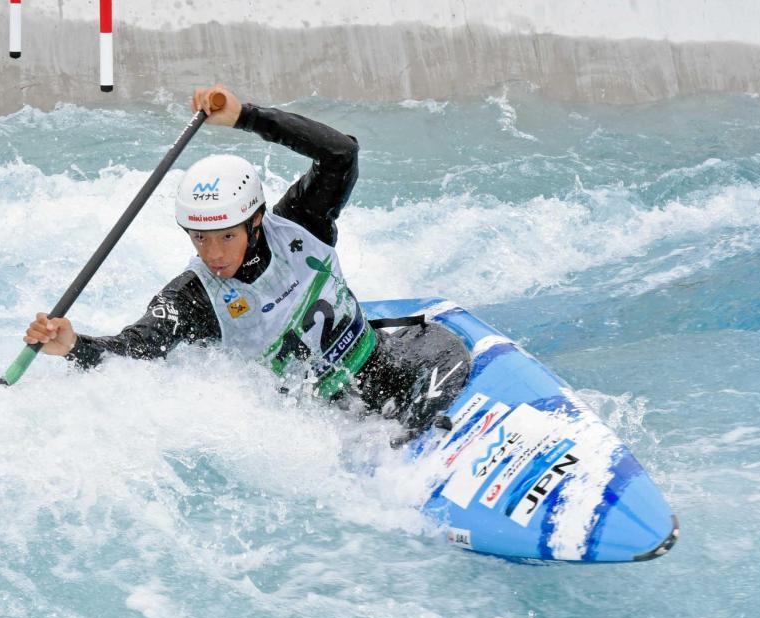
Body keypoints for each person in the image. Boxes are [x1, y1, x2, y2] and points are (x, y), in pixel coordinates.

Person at [25, 85, 469, 440]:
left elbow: (341, 154)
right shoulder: (194, 298)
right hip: (326, 431)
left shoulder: (300, 224)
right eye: (200, 239)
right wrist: (73, 345)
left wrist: (246, 117)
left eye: (226, 237)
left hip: (386, 369)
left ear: (255, 222)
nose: (214, 254)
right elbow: (135, 351)